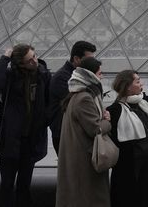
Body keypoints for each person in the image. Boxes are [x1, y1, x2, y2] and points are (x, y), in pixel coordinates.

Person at [0, 43, 52, 207]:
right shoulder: (10, 77)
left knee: (24, 184)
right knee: (7, 184)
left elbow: (50, 102)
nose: (35, 62)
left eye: (35, 56)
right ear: (19, 64)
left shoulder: (42, 75)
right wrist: (5, 57)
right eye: (29, 60)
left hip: (31, 138)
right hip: (11, 138)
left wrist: (45, 120)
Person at [107, 69, 148, 207]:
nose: (142, 83)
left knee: (146, 197)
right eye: (138, 81)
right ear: (127, 86)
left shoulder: (142, 101)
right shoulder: (114, 110)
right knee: (128, 198)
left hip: (147, 162)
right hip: (128, 165)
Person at [56, 57, 111, 207]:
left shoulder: (76, 94)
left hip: (78, 157)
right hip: (84, 160)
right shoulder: (85, 98)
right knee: (89, 198)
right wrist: (107, 121)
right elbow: (96, 129)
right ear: (91, 75)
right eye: (100, 73)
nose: (102, 76)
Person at [49, 41, 96, 153]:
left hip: (70, 131)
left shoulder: (75, 76)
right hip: (65, 133)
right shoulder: (63, 78)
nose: (92, 63)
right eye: (89, 59)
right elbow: (80, 103)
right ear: (76, 59)